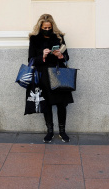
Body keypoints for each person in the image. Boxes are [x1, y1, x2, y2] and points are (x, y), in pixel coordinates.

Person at [28, 14, 73, 143]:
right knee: (46, 104)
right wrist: (42, 56)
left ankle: (62, 132)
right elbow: (30, 60)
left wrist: (60, 55)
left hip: (59, 74)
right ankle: (50, 132)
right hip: (43, 75)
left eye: (49, 27)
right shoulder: (35, 39)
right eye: (45, 27)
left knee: (61, 104)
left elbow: (67, 57)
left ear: (52, 26)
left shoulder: (59, 37)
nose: (47, 29)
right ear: (40, 26)